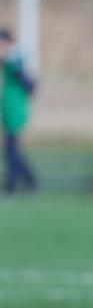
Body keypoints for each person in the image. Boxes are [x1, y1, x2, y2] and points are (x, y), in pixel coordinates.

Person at [0, 28, 37, 194]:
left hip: (15, 110)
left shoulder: (14, 62)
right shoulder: (11, 61)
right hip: (9, 109)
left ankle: (18, 182)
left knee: (11, 150)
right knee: (11, 149)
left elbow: (30, 84)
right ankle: (24, 181)